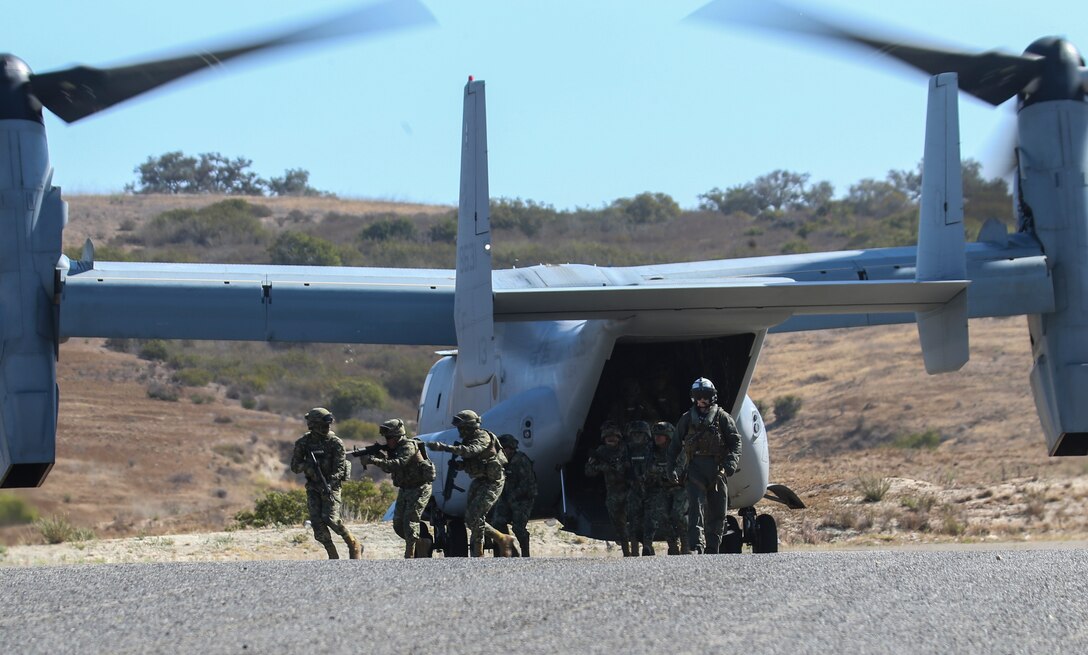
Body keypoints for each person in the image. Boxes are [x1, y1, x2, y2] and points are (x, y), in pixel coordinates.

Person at [426, 410, 515, 557]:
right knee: (470, 518)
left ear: (469, 426)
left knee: (475, 516)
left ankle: (493, 544)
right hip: (480, 480)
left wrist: (445, 448)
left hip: (492, 482)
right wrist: (460, 466)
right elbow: (474, 460)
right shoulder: (469, 439)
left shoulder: (482, 437)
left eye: (461, 427)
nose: (459, 431)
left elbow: (472, 451)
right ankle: (493, 542)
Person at [669, 378, 742, 554]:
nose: (702, 399)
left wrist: (729, 465)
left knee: (718, 511)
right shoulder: (687, 419)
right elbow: (675, 445)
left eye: (706, 395)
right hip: (695, 470)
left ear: (712, 396)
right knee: (695, 509)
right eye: (698, 395)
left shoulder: (723, 418)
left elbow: (736, 443)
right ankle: (697, 546)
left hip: (718, 471)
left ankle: (712, 547)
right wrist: (671, 468)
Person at [289, 407, 362, 559]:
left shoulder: (335, 443)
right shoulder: (303, 443)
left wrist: (329, 484)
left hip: (331, 486)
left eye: (328, 425)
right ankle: (332, 555)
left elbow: (339, 469)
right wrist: (308, 467)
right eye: (322, 425)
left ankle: (353, 544)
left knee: (331, 519)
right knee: (317, 523)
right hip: (313, 487)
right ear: (313, 425)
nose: (326, 428)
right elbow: (295, 467)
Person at [363, 418, 436, 559]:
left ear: (397, 436)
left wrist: (374, 460)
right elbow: (390, 468)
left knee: (410, 520)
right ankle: (422, 543)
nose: (387, 441)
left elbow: (398, 464)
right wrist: (380, 456)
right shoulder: (394, 449)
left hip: (419, 487)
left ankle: (409, 554)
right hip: (405, 488)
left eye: (389, 437)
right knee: (398, 524)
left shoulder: (408, 446)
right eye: (386, 438)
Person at [584, 420, 633, 556]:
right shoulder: (601, 452)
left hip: (630, 490)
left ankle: (638, 549)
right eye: (608, 437)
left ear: (619, 437)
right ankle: (627, 553)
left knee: (635, 521)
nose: (611, 439)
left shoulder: (626, 449)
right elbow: (588, 471)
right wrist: (602, 467)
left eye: (613, 437)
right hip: (613, 493)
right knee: (618, 524)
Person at [644, 421, 689, 555]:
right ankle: (673, 546)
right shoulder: (652, 451)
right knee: (662, 516)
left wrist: (658, 470)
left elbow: (677, 471)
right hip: (663, 488)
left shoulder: (679, 451)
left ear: (668, 436)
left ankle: (686, 544)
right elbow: (647, 469)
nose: (657, 438)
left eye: (660, 435)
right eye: (655, 435)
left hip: (680, 488)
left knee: (678, 514)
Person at [490, 434, 538, 557]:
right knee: (497, 523)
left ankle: (525, 554)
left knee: (518, 528)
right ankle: (512, 553)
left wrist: (513, 496)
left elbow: (528, 484)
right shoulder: (501, 461)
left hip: (523, 498)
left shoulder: (521, 460)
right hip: (507, 497)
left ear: (510, 449)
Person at [624, 420, 653, 556]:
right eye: (634, 434)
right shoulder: (626, 450)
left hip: (650, 489)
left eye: (640, 434)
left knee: (649, 519)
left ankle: (647, 547)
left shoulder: (652, 449)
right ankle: (634, 551)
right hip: (633, 490)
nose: (637, 437)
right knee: (633, 521)